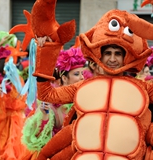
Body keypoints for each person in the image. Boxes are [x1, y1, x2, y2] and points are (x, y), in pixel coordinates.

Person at [9, 0, 153, 159]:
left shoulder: (143, 89)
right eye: (108, 53)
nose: (112, 59)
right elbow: (47, 95)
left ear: (126, 56)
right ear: (100, 55)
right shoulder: (83, 87)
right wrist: (48, 50)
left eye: (118, 54)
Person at [19, 46, 86, 159]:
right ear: (64, 78)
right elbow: (39, 138)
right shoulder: (52, 101)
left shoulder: (84, 98)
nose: (81, 78)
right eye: (76, 74)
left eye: (82, 73)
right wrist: (44, 116)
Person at [0, 45, 27, 160]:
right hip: (1, 121)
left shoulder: (18, 80)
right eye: (9, 62)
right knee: (1, 147)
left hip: (16, 121)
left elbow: (22, 99)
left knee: (15, 149)